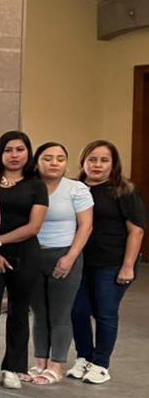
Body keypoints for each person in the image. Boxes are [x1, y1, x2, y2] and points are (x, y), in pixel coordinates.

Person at [69, 140, 145, 384]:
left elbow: (137, 231)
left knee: (105, 312)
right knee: (78, 311)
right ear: (83, 162)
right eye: (92, 159)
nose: (97, 165)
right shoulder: (75, 188)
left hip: (112, 262)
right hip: (80, 262)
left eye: (104, 160)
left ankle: (101, 364)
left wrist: (128, 265)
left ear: (113, 164)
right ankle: (84, 357)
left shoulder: (123, 191)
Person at [0, 131, 48, 388]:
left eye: (20, 149)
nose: (15, 155)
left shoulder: (36, 185)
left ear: (28, 153)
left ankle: (13, 367)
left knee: (19, 313)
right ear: (0, 152)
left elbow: (34, 227)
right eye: (9, 149)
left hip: (25, 254)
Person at [29, 142, 92, 385]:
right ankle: (39, 362)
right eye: (48, 158)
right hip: (34, 255)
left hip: (65, 254)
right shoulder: (31, 187)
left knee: (60, 312)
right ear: (37, 162)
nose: (54, 163)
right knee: (39, 312)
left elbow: (86, 226)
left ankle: (56, 365)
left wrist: (70, 257)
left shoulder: (76, 189)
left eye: (60, 158)